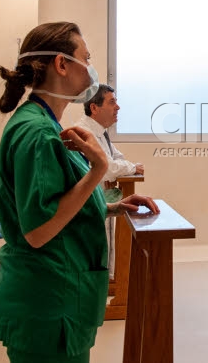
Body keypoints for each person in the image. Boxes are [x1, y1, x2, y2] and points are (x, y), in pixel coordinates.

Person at [0, 21, 159, 363]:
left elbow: (58, 200)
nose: (91, 67)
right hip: (49, 298)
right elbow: (39, 231)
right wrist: (98, 169)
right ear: (61, 64)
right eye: (86, 57)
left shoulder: (46, 123)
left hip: (58, 295)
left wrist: (112, 207)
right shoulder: (37, 132)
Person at [74, 84, 144, 280]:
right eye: (112, 102)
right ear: (94, 108)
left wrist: (126, 166)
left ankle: (112, 282)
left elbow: (117, 158)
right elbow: (108, 167)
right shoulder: (83, 131)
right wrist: (131, 167)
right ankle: (107, 285)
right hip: (91, 199)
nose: (118, 107)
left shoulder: (100, 131)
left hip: (103, 196)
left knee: (108, 249)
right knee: (97, 252)